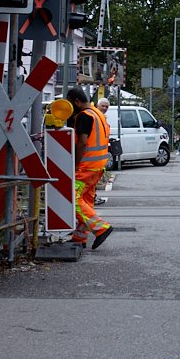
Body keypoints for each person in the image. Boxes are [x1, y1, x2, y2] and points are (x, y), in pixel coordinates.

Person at [66, 88, 113, 249]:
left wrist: (74, 164)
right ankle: (79, 238)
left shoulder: (84, 116)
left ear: (76, 101)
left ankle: (101, 228)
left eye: (70, 103)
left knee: (72, 199)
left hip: (85, 167)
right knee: (85, 201)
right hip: (98, 166)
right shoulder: (97, 113)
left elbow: (82, 142)